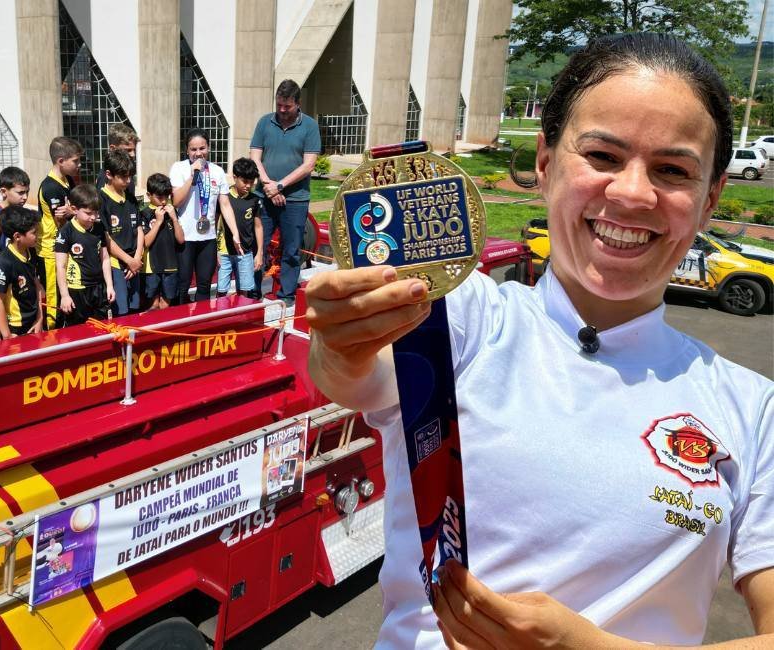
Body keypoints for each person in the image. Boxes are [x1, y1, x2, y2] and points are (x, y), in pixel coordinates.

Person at [305, 33, 773, 649]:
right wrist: (342, 340)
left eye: (673, 170)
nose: (633, 192)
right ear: (548, 164)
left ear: (710, 198)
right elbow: (353, 372)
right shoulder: (466, 316)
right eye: (603, 156)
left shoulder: (752, 409)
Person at [249, 79, 321, 306]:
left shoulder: (310, 126)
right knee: (258, 245)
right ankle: (252, 292)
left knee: (291, 249)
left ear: (298, 104)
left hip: (296, 200)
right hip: (264, 196)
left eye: (287, 106)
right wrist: (269, 185)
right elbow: (255, 156)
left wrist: (280, 186)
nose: (281, 110)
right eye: (279, 105)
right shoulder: (264, 122)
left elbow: (309, 165)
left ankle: (287, 294)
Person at [169, 129, 242, 304]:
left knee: (204, 284)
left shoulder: (217, 171)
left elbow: (224, 205)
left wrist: (235, 232)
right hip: (185, 238)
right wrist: (192, 176)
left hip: (207, 237)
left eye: (202, 148)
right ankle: (181, 323)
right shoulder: (179, 168)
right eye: (193, 149)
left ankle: (200, 323)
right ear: (187, 150)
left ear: (208, 148)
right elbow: (177, 201)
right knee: (183, 283)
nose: (198, 153)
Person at [37, 137, 82, 329]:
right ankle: (51, 338)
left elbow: (73, 209)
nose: (79, 165)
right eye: (76, 161)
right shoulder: (50, 187)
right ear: (61, 161)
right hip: (50, 251)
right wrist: (73, 212)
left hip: (66, 247)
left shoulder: (68, 180)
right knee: (54, 298)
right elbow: (61, 220)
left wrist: (73, 211)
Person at [54, 184, 115, 326]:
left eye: (96, 212)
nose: (93, 217)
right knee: (77, 330)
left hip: (99, 288)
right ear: (74, 209)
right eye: (88, 213)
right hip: (77, 290)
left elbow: (105, 258)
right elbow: (61, 266)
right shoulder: (66, 232)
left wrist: (110, 286)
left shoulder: (99, 228)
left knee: (102, 327)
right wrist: (64, 295)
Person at [100, 150, 144, 316]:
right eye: (123, 177)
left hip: (134, 265)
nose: (128, 181)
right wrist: (127, 260)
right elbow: (106, 237)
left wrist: (137, 259)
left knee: (134, 310)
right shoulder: (101, 200)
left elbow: (139, 229)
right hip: (117, 264)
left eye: (130, 176)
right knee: (121, 313)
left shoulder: (131, 199)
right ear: (109, 174)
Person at [0, 206, 44, 338]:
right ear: (17, 236)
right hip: (16, 329)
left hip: (34, 324)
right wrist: (7, 334)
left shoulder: (30, 250)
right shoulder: (5, 263)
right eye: (34, 232)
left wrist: (39, 318)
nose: (37, 236)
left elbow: (36, 285)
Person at [216, 158, 263, 298]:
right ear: (234, 177)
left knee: (244, 291)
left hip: (245, 253)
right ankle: (221, 315)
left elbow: (258, 226)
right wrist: (215, 250)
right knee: (222, 290)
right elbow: (214, 224)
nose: (248, 186)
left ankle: (241, 316)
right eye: (245, 181)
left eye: (251, 182)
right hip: (224, 252)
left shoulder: (255, 200)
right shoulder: (224, 198)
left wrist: (259, 252)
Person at [140, 173, 184, 310]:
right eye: (159, 197)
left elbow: (181, 240)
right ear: (149, 195)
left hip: (170, 265)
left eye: (167, 196)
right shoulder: (145, 213)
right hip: (151, 267)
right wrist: (158, 222)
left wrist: (174, 219)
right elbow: (145, 242)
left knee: (165, 305)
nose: (164, 201)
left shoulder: (172, 212)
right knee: (153, 304)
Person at [0, 166, 30, 250]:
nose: (25, 197)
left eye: (27, 192)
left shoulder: (22, 212)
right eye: (21, 193)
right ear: (3, 192)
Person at [95, 123, 141, 204]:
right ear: (113, 148)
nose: (133, 155)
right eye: (128, 150)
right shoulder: (106, 177)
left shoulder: (128, 170)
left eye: (134, 150)